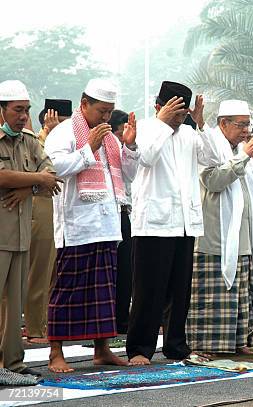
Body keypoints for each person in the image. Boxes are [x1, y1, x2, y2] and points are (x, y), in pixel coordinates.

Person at [44, 78, 138, 373]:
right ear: (84, 104)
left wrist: (131, 145)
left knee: (104, 292)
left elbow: (129, 175)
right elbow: (53, 168)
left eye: (110, 112)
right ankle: (55, 352)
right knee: (67, 290)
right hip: (76, 226)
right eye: (101, 111)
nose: (106, 118)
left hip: (107, 224)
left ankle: (101, 349)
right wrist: (88, 149)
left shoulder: (110, 138)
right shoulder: (63, 133)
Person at [127, 81, 210, 366]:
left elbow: (212, 158)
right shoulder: (148, 129)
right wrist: (163, 123)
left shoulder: (189, 132)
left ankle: (176, 345)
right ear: (158, 106)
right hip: (154, 224)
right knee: (149, 290)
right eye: (173, 110)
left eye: (181, 112)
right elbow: (146, 158)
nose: (178, 117)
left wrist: (200, 124)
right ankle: (140, 348)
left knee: (179, 290)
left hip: (185, 223)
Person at [187, 100, 253, 355]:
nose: (246, 130)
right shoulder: (209, 147)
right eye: (241, 125)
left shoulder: (242, 151)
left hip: (244, 239)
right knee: (215, 296)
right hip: (216, 237)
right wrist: (245, 155)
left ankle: (240, 341)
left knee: (242, 295)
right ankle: (209, 345)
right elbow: (215, 181)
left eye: (248, 124)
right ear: (223, 124)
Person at [0, 80, 62, 377]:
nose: (23, 116)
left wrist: (26, 187)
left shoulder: (29, 140)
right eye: (17, 110)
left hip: (22, 234)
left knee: (15, 306)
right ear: (1, 110)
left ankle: (12, 364)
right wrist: (34, 180)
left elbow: (50, 173)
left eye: (26, 110)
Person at [24, 99, 72, 345]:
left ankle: (47, 323)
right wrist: (48, 132)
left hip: (59, 212)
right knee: (38, 271)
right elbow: (38, 169)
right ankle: (35, 328)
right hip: (40, 210)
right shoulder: (35, 140)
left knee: (53, 273)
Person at [108, 109, 132, 334]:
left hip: (124, 213)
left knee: (125, 270)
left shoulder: (127, 149)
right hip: (105, 213)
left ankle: (122, 320)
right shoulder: (107, 145)